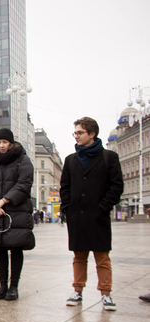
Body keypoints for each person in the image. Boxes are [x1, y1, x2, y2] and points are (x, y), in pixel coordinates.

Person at [60, 116, 123, 311]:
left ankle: (106, 294)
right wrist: (67, 209)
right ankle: (77, 291)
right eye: (75, 133)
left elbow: (116, 186)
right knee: (79, 256)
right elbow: (65, 188)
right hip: (77, 216)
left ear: (92, 134)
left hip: (98, 216)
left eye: (80, 132)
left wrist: (103, 207)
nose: (76, 136)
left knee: (102, 257)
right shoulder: (71, 160)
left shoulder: (109, 158)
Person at [0, 128, 35, 302]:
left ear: (10, 143)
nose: (1, 145)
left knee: (16, 247)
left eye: (4, 142)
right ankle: (3, 285)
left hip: (15, 210)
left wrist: (3, 201)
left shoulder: (23, 160)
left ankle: (14, 286)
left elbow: (24, 184)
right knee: (0, 247)